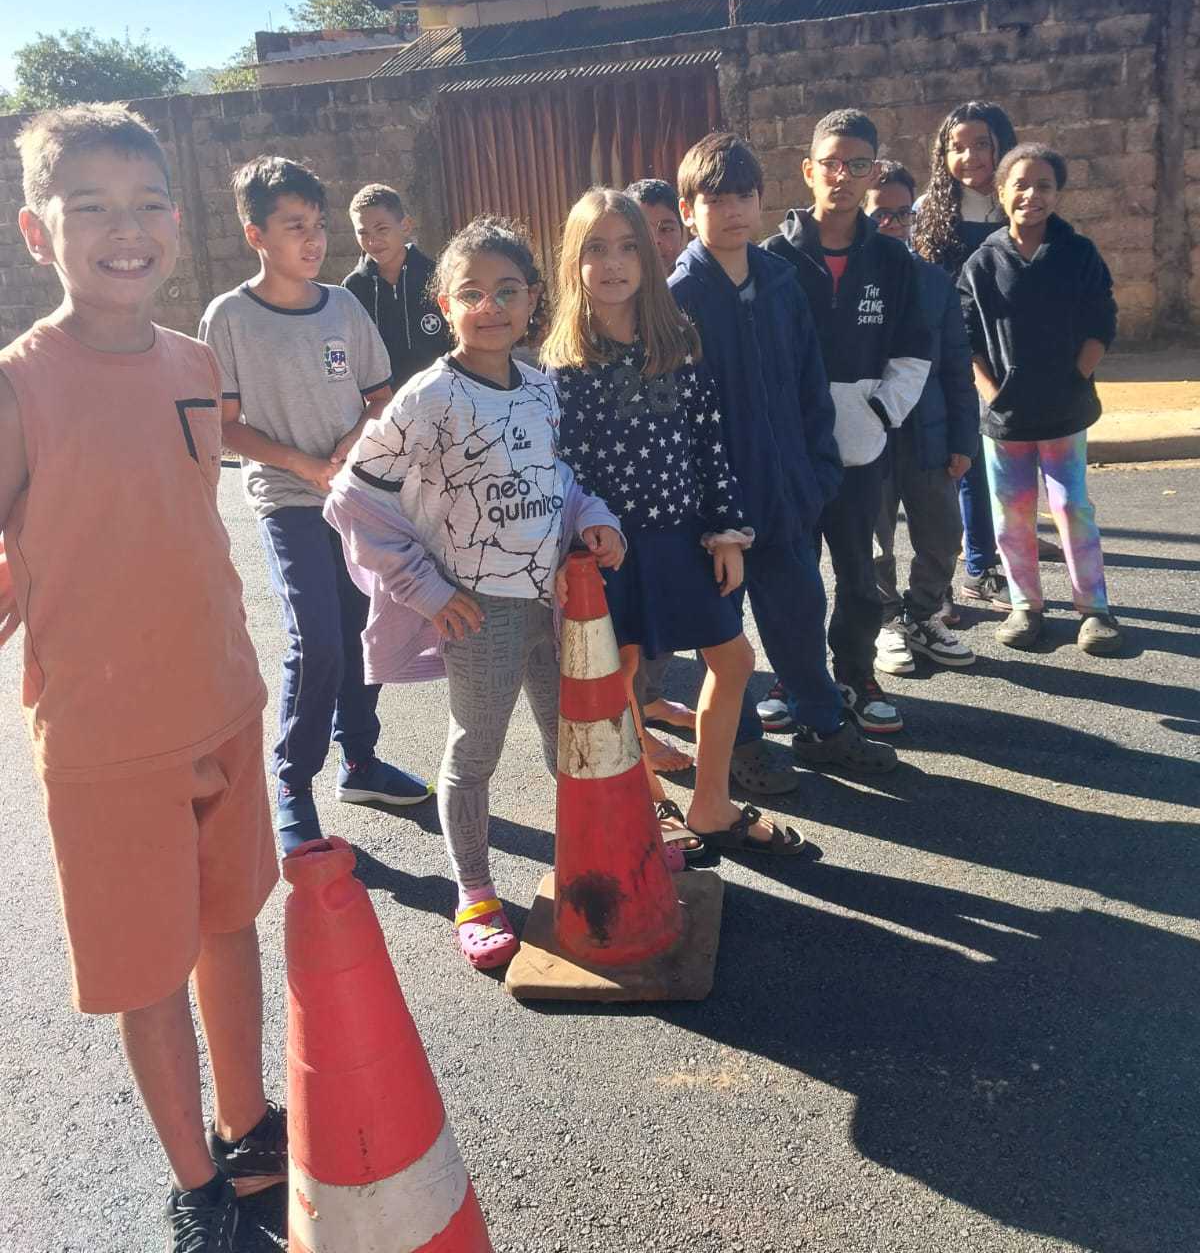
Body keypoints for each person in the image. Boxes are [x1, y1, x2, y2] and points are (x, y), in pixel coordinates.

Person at [0, 104, 284, 1252]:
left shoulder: (194, 362)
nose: (127, 230)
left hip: (222, 700)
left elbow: (172, 517)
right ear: (38, 232)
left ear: (179, 218)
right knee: (148, 970)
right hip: (106, 743)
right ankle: (197, 1186)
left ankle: (248, 1124)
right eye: (92, 208)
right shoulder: (18, 385)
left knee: (230, 925)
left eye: (148, 204)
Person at [325, 217, 625, 969]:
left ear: (533, 300)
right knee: (476, 751)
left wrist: (596, 519)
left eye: (507, 291)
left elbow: (557, 481)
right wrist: (423, 588)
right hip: (477, 611)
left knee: (570, 744)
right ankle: (477, 891)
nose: (490, 306)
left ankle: (599, 860)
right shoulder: (429, 396)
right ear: (444, 305)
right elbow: (352, 498)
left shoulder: (541, 386)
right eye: (472, 293)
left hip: (555, 605)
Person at [544, 189, 812, 857]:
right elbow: (560, 472)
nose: (613, 264)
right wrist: (569, 553)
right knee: (623, 672)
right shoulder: (562, 364)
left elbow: (707, 440)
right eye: (596, 249)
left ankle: (711, 803)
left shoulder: (678, 340)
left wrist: (726, 531)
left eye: (627, 247)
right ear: (574, 260)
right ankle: (651, 803)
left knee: (734, 658)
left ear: (648, 256)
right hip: (608, 552)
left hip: (683, 537)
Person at [199, 156, 431, 852]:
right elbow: (227, 425)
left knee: (364, 633)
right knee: (317, 639)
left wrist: (347, 451)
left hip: (351, 497)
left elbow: (380, 399)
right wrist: (304, 464)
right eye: (294, 225)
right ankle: (293, 783)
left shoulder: (343, 306)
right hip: (287, 501)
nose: (313, 239)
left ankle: (360, 762)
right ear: (255, 235)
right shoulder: (229, 317)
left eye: (318, 225)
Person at [669, 132, 898, 781]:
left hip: (788, 496)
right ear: (689, 210)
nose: (733, 211)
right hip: (715, 514)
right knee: (725, 639)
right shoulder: (677, 298)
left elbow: (809, 385)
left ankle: (823, 728)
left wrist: (816, 473)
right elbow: (673, 416)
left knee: (799, 619)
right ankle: (741, 748)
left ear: (761, 200)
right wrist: (700, 509)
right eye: (716, 200)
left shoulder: (779, 282)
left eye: (744, 196)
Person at [761, 110, 930, 735]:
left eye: (857, 164)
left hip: (862, 455)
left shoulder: (892, 261)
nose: (843, 175)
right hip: (793, 455)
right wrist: (779, 430)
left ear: (872, 172)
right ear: (809, 170)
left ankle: (856, 674)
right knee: (794, 573)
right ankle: (794, 675)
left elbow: (914, 353)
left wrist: (877, 414)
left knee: (860, 574)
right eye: (831, 163)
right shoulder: (772, 258)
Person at [958, 144, 1122, 654]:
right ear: (1001, 192)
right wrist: (991, 392)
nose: (1032, 195)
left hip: (1065, 412)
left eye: (1044, 185)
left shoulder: (1077, 253)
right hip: (1005, 419)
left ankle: (1094, 609)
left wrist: (1077, 375)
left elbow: (1102, 319)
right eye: (1021, 185)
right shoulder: (983, 262)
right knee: (1012, 510)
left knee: (1072, 506)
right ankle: (1025, 606)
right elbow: (965, 336)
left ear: (1058, 193)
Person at [913, 102, 1037, 615]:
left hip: (1014, 350)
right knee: (969, 463)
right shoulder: (930, 212)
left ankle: (1013, 542)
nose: (969, 157)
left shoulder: (1019, 203)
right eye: (957, 147)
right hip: (958, 355)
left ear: (1002, 145)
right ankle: (978, 567)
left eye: (981, 144)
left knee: (1015, 458)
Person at [864, 162, 977, 674]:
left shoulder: (933, 282)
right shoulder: (850, 283)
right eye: (880, 214)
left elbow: (956, 365)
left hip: (928, 433)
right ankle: (887, 620)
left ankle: (924, 614)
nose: (893, 223)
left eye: (903, 213)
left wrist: (963, 440)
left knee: (943, 532)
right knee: (874, 538)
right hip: (869, 435)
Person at [623, 178, 697, 746]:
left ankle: (649, 699)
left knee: (672, 610)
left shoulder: (691, 301)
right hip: (627, 506)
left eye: (665, 228)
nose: (656, 244)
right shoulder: (618, 313)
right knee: (631, 625)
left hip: (682, 490)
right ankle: (632, 721)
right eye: (639, 235)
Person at [343, 182, 450, 388]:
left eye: (382, 229)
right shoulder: (353, 288)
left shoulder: (437, 277)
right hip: (383, 402)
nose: (373, 241)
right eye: (363, 233)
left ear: (406, 226)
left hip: (442, 395)